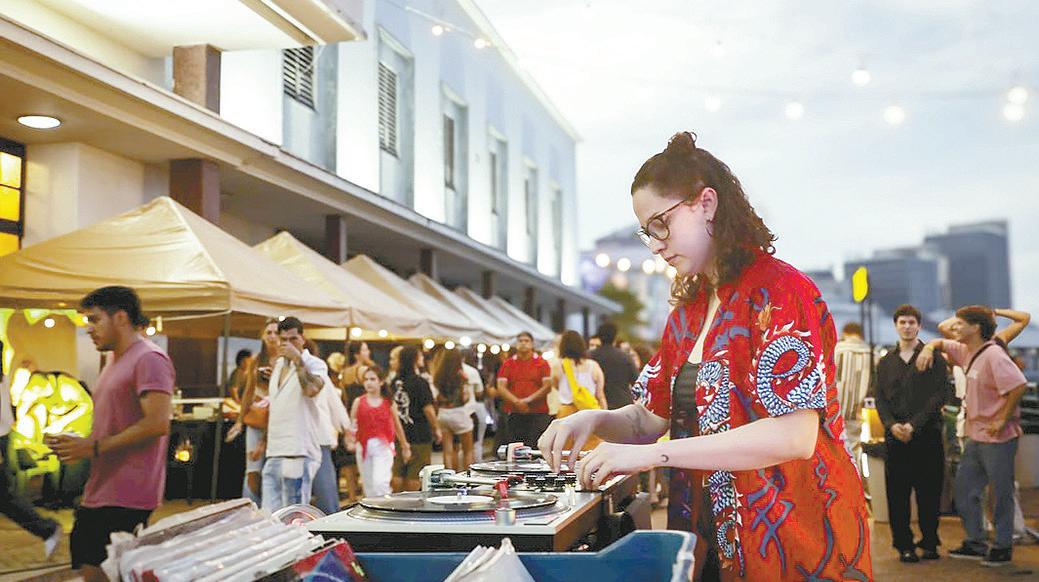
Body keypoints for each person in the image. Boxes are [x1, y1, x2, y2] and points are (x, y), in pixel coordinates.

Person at [538, 132, 872, 581]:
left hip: (793, 531)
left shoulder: (780, 291)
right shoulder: (688, 311)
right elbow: (648, 418)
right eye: (647, 231)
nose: (655, 244)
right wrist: (593, 420)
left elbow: (794, 436)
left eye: (661, 223)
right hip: (707, 529)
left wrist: (653, 456)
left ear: (707, 204)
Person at [47, 286, 175, 579]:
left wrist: (92, 448)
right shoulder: (114, 360)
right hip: (102, 488)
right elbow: (116, 422)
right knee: (89, 565)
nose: (88, 328)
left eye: (94, 319)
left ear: (120, 318)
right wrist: (80, 444)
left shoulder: (149, 358)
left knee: (104, 572)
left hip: (127, 493)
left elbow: (157, 423)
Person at [917, 306, 1030, 566]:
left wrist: (1002, 419)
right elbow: (940, 338)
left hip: (998, 438)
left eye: (960, 324)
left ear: (976, 328)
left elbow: (1018, 385)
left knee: (1000, 493)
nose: (954, 327)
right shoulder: (965, 349)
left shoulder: (994, 354)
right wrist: (928, 348)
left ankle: (1002, 546)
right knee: (965, 489)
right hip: (975, 435)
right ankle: (976, 542)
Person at [874, 304, 950, 563]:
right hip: (895, 437)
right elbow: (879, 398)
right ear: (896, 326)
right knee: (897, 494)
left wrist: (914, 425)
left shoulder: (934, 358)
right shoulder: (886, 361)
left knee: (930, 492)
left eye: (911, 322)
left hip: (927, 435)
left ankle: (930, 542)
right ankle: (904, 545)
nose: (907, 327)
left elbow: (940, 394)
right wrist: (890, 424)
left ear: (919, 326)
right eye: (902, 322)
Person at [0, 341, 62, 559]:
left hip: (1, 437)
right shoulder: (3, 376)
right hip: (4, 435)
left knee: (5, 497)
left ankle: (47, 529)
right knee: (5, 497)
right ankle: (46, 529)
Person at [261, 316, 326, 511]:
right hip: (274, 449)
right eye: (284, 340)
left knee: (294, 513)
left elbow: (311, 390)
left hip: (299, 449)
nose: (288, 344)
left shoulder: (315, 364)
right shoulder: (279, 365)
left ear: (302, 339)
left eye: (293, 339)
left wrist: (298, 360)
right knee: (270, 513)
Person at [227, 319, 278, 506]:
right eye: (268, 332)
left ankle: (270, 508)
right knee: (252, 469)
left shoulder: (285, 361)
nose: (272, 336)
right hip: (257, 419)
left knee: (273, 469)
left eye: (275, 332)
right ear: (263, 336)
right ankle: (251, 508)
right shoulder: (257, 359)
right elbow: (248, 391)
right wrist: (240, 420)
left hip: (278, 421)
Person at [351, 365, 410, 498]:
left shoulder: (388, 402)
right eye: (366, 379)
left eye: (372, 379)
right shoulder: (358, 402)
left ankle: (385, 505)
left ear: (381, 382)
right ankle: (373, 508)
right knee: (368, 485)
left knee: (380, 483)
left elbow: (397, 425)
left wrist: (405, 445)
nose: (369, 383)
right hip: (363, 446)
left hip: (383, 446)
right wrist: (350, 439)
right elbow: (352, 424)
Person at [391, 346, 441, 491]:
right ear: (414, 359)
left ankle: (396, 498)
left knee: (398, 470)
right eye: (420, 356)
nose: (422, 358)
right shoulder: (420, 382)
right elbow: (428, 408)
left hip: (399, 432)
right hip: (419, 432)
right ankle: (410, 499)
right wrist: (436, 428)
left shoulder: (394, 382)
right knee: (417, 471)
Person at [491, 332, 552, 448]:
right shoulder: (508, 364)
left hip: (538, 412)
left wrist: (528, 400)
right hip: (513, 412)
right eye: (520, 341)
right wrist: (516, 402)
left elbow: (547, 386)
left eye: (526, 341)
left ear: (532, 344)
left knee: (536, 447)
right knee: (514, 448)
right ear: (516, 344)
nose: (523, 343)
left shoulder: (542, 363)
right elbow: (501, 387)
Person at [312, 370, 351, 515]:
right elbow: (336, 405)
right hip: (311, 438)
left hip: (318, 439)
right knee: (324, 488)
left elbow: (335, 405)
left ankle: (330, 518)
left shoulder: (317, 370)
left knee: (325, 489)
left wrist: (346, 428)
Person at [833, 322, 872, 466]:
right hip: (857, 411)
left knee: (835, 449)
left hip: (834, 410)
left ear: (845, 333)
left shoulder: (836, 350)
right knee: (854, 448)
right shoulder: (871, 353)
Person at [433, 350, 475, 470]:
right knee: (468, 450)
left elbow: (436, 397)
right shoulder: (461, 376)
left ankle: (449, 476)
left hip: (443, 413)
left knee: (448, 451)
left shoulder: (438, 376)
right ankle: (468, 476)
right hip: (459, 413)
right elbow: (465, 398)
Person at [589, 322, 638, 410]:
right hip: (622, 406)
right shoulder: (625, 357)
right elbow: (636, 382)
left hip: (596, 406)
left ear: (599, 337)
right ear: (615, 337)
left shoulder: (589, 357)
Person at [461, 350, 488, 461]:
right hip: (473, 409)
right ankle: (475, 465)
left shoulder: (446, 370)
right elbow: (479, 392)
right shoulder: (473, 371)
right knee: (475, 442)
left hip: (451, 411)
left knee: (454, 447)